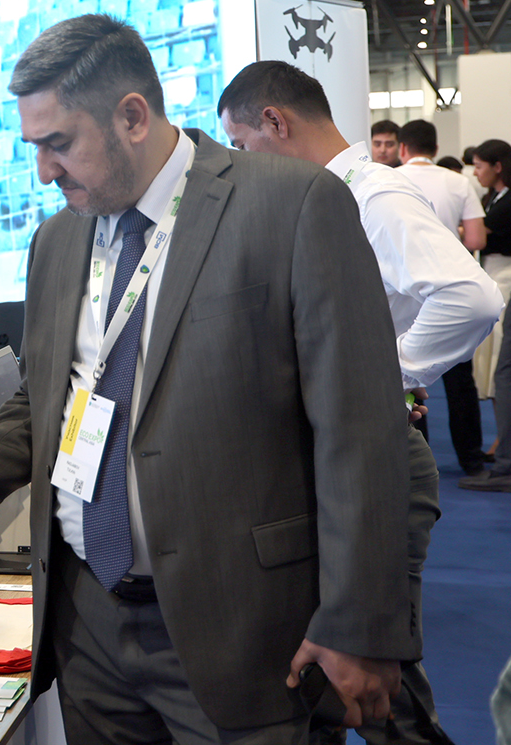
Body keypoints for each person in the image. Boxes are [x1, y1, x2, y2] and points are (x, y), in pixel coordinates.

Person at [0, 16, 414, 742]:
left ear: (132, 117)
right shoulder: (57, 238)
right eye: (34, 147)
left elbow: (361, 427)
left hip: (244, 627)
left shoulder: (290, 204)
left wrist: (359, 622)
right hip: (88, 624)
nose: (44, 171)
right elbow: (49, 398)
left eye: (59, 143)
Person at [217, 62, 500, 745]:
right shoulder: (328, 198)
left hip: (378, 463)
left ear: (275, 122)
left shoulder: (371, 195)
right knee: (331, 674)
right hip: (339, 456)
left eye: (242, 144)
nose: (241, 163)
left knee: (378, 690)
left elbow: (471, 298)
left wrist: (382, 375)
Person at [396, 118, 492, 475]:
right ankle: (471, 458)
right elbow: (476, 240)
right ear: (435, 149)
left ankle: (415, 457)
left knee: (409, 381)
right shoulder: (457, 181)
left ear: (402, 148)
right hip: (450, 292)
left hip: (404, 297)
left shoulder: (390, 180)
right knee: (459, 381)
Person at [463, 138, 511, 492]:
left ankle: (503, 443)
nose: (476, 172)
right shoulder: (492, 199)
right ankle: (501, 439)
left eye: (480, 166)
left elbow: (476, 235)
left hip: (505, 280)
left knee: (500, 365)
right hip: (492, 275)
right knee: (495, 367)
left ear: (497, 166)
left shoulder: (506, 202)